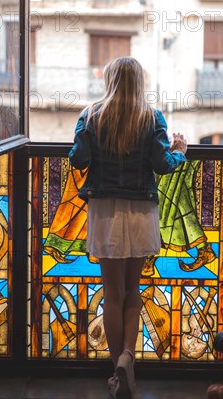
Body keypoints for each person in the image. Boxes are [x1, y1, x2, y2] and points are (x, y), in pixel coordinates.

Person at [69, 57, 187, 399]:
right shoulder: (152, 117)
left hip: (105, 210)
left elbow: (78, 159)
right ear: (139, 82)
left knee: (112, 294)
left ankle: (116, 372)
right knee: (133, 291)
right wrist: (181, 151)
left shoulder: (91, 115)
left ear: (108, 81)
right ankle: (128, 359)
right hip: (140, 211)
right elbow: (163, 165)